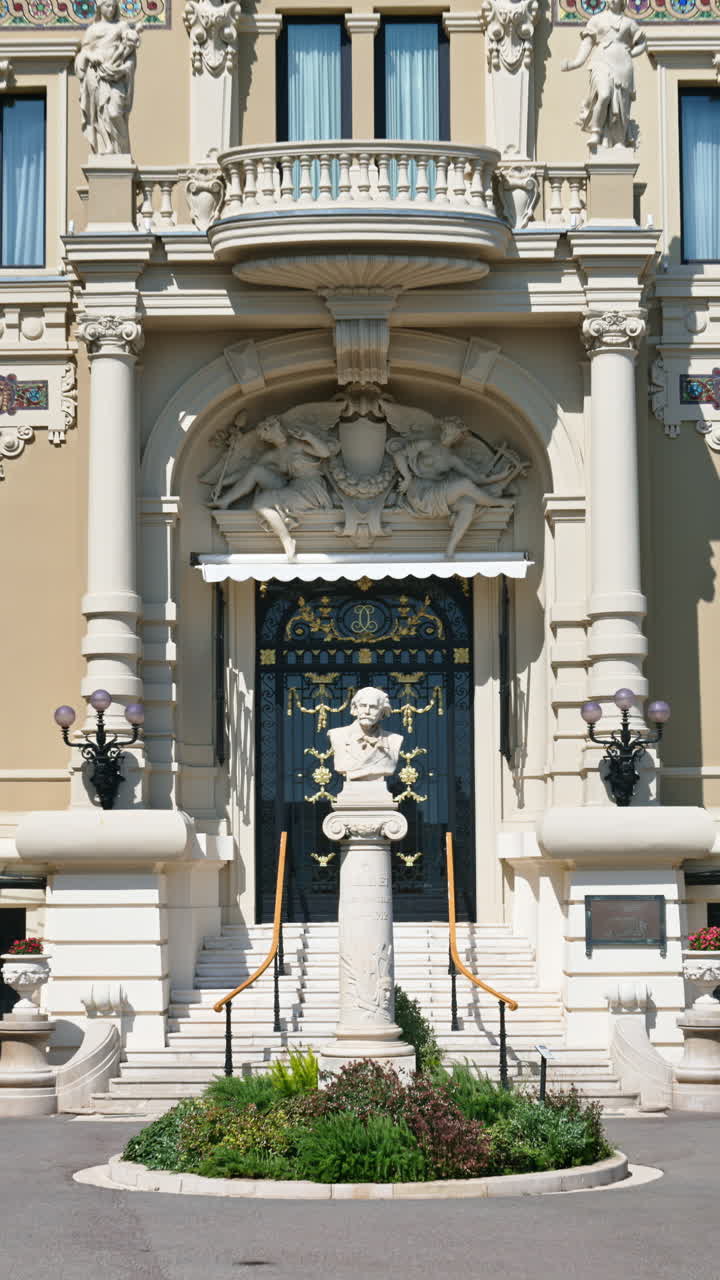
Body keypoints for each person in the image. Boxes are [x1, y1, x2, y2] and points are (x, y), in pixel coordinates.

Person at [210, 416, 339, 559]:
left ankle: (287, 540)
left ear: (278, 427)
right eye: (268, 433)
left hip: (310, 489)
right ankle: (225, 501)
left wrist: (309, 437)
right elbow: (245, 473)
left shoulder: (297, 444)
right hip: (292, 486)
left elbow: (325, 452)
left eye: (272, 428)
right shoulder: (273, 455)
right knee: (256, 470)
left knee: (260, 503)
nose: (274, 434)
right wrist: (221, 483)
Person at [390, 420, 515, 559]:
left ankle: (451, 548)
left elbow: (478, 479)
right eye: (444, 431)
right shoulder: (427, 445)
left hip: (436, 493)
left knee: (468, 503)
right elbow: (398, 455)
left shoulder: (452, 459)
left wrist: (499, 476)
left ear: (456, 438)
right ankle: (496, 501)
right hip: (420, 493)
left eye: (450, 434)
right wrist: (407, 477)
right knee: (464, 484)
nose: (445, 435)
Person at [561, 0, 646, 149]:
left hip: (623, 66)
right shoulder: (597, 20)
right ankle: (596, 132)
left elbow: (642, 43)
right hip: (601, 61)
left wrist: (630, 53)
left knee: (621, 104)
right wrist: (576, 62)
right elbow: (587, 44)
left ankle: (618, 140)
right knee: (605, 94)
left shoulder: (629, 23)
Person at [75, 0, 141, 155]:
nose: (111, 9)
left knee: (114, 112)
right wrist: (91, 55)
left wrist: (123, 70)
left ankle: (122, 150)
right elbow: (82, 55)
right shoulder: (92, 30)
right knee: (98, 113)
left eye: (113, 6)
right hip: (96, 74)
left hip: (116, 76)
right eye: (107, 6)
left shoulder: (121, 26)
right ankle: (107, 146)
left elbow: (130, 54)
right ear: (100, 7)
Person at [328, 688, 403, 783]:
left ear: (382, 713)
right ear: (355, 709)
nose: (367, 711)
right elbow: (341, 765)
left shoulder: (394, 740)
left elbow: (389, 767)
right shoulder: (337, 735)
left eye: (373, 707)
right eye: (363, 706)